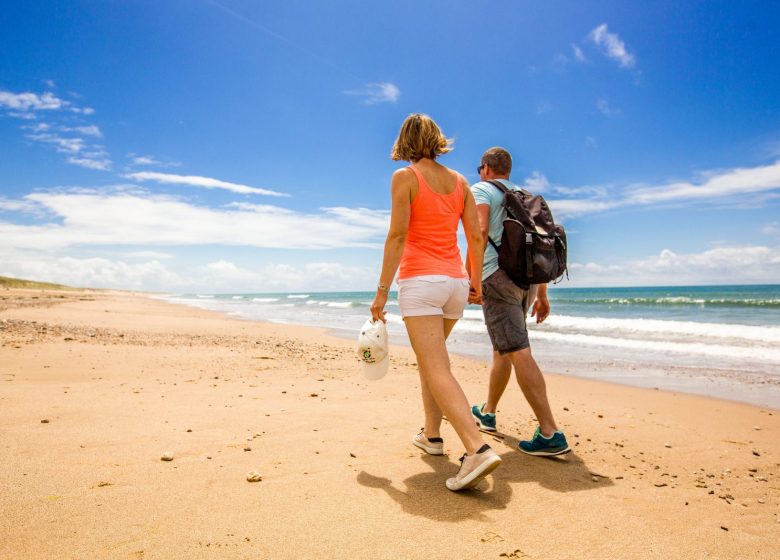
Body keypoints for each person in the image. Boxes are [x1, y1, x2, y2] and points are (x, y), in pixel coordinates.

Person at [370, 114, 502, 491]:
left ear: (405, 142)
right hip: (455, 284)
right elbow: (475, 237)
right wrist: (474, 282)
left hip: (422, 283)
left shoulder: (405, 178)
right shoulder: (460, 181)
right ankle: (431, 436)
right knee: (433, 363)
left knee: (436, 366)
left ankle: (476, 449)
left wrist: (381, 291)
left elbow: (397, 236)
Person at [468, 147, 570, 456]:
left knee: (517, 350)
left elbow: (480, 230)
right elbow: (538, 245)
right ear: (507, 169)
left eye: (479, 168)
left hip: (496, 278)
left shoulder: (482, 189)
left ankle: (550, 432)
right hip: (524, 281)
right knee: (504, 348)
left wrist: (473, 281)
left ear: (486, 168)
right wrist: (542, 293)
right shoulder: (525, 196)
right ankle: (488, 411)